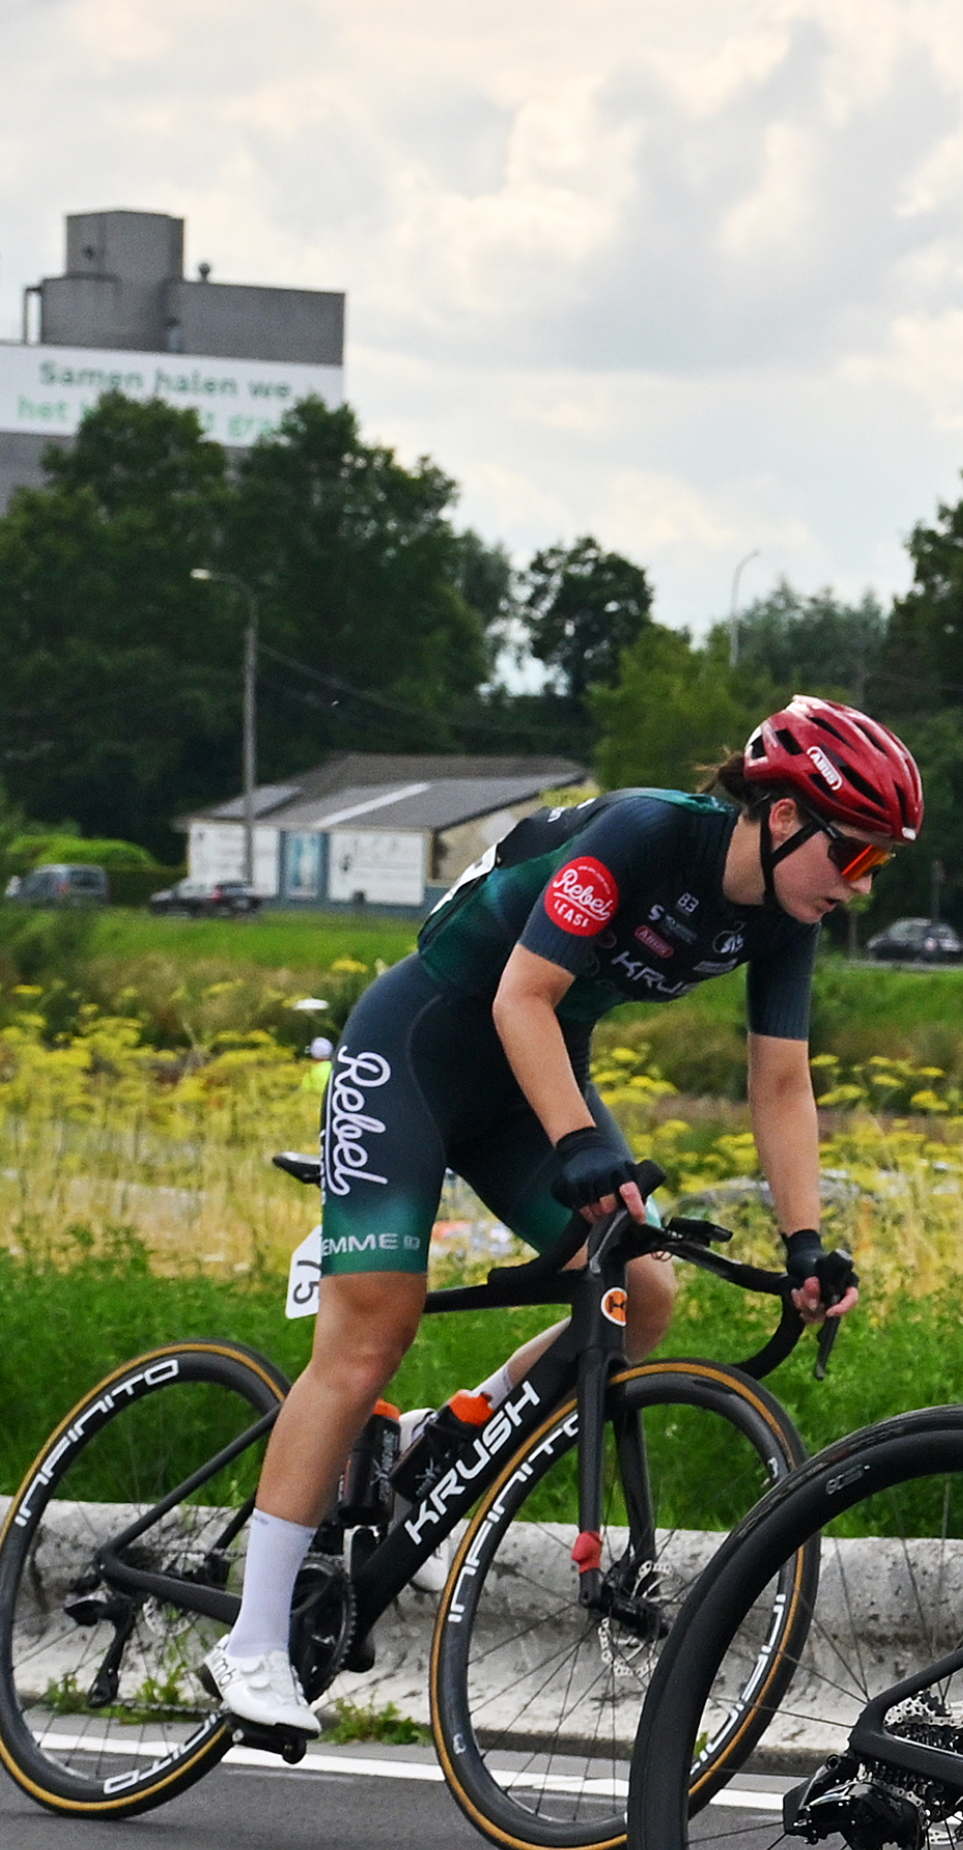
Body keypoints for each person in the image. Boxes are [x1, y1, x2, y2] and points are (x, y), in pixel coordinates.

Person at [202, 698, 920, 1740]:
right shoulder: (644, 834)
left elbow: (782, 1087)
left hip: (523, 1088)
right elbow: (521, 996)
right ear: (778, 814)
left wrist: (804, 1242)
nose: (857, 887)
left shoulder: (781, 916)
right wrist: (585, 1143)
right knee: (372, 1331)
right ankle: (253, 1640)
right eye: (854, 855)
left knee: (642, 1296)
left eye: (878, 869)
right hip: (419, 1046)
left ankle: (446, 1435)